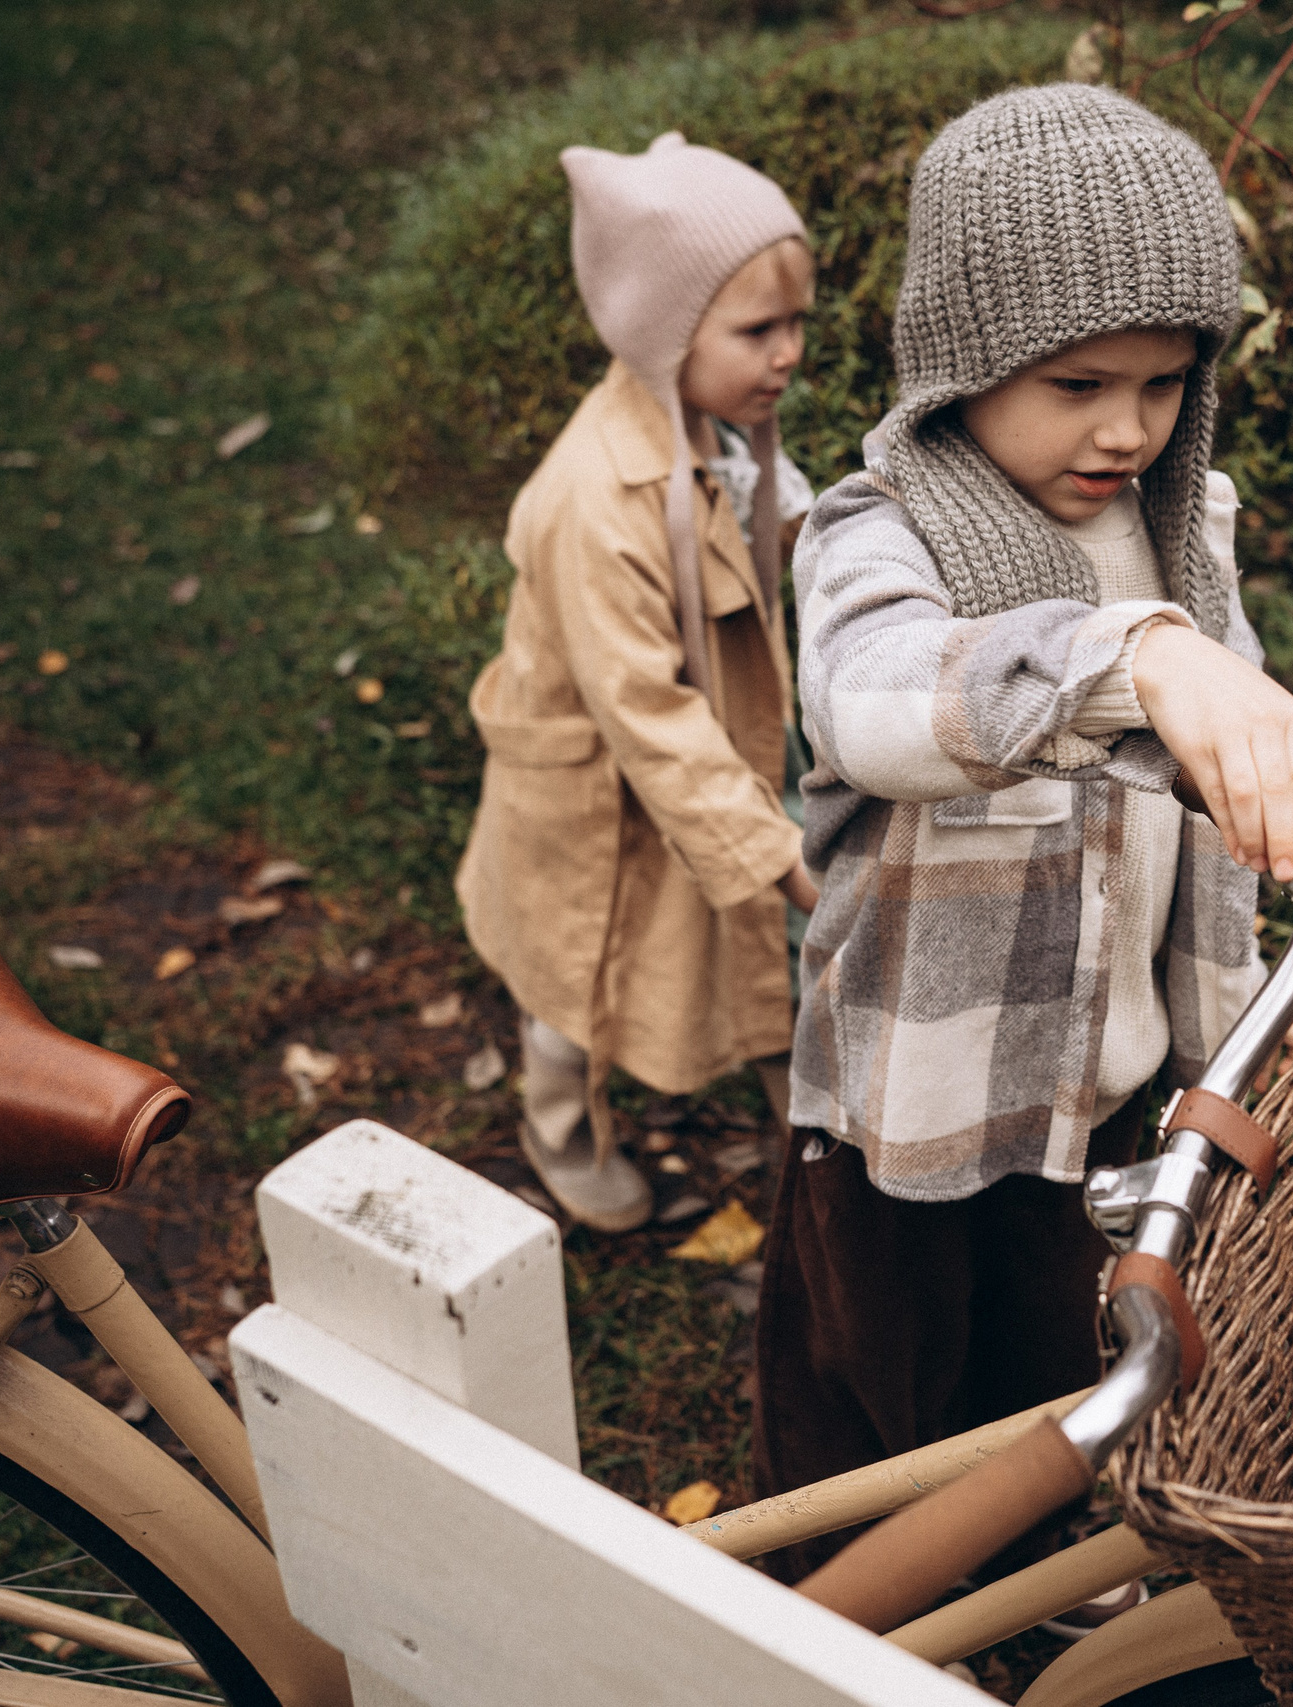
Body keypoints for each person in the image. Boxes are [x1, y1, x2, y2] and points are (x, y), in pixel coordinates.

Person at [752, 84, 1293, 1611]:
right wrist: (1137, 656)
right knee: (886, 1384)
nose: (1126, 427)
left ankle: (1041, 1572)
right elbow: (877, 703)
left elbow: (1207, 807)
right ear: (964, 365)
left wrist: (1233, 1013)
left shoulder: (1183, 532)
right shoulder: (878, 535)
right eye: (1078, 383)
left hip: (1112, 1084)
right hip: (920, 1104)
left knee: (1062, 1354)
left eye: (1164, 381)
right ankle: (839, 1616)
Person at [455, 133, 821, 1232]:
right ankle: (560, 1128)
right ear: (667, 333)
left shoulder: (715, 428)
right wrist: (774, 852)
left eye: (798, 322)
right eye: (758, 330)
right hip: (589, 782)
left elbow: (776, 522)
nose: (789, 353)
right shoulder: (594, 504)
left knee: (754, 942)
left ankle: (807, 1125)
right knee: (576, 966)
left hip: (700, 747)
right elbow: (646, 713)